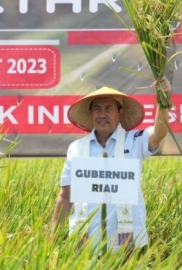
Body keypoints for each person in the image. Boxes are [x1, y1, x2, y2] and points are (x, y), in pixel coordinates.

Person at [51, 77, 171, 252]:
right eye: (97, 109)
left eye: (108, 108)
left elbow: (159, 133)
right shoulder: (76, 148)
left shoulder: (134, 141)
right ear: (91, 114)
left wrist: (163, 100)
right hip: (85, 243)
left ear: (119, 113)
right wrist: (51, 238)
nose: (102, 114)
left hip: (128, 242)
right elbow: (65, 196)